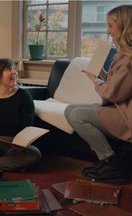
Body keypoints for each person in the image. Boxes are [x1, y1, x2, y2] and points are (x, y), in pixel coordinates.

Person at [64, 5, 132, 184]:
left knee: (78, 115)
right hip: (118, 109)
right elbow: (117, 85)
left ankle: (111, 162)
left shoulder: (129, 60)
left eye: (110, 26)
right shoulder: (122, 55)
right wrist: (100, 73)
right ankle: (110, 161)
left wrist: (95, 80)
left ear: (124, 26)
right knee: (69, 109)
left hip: (126, 116)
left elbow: (112, 93)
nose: (108, 31)